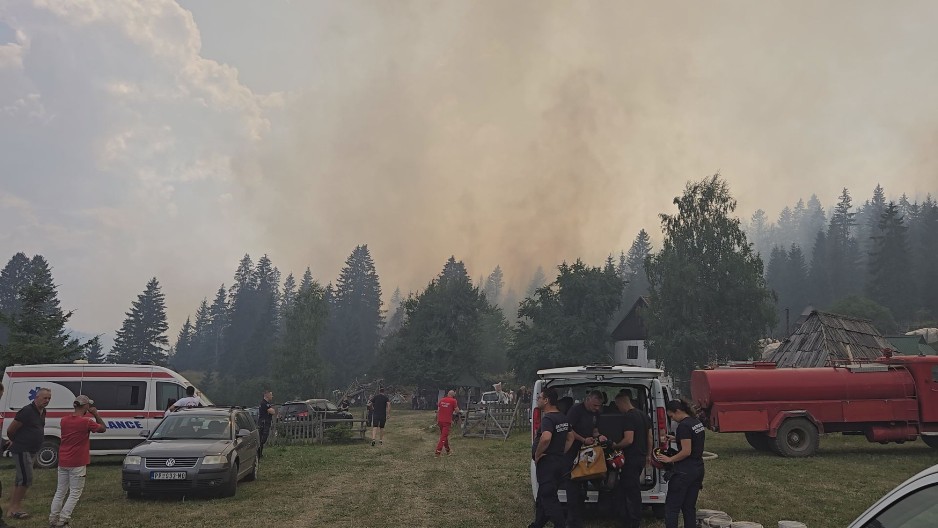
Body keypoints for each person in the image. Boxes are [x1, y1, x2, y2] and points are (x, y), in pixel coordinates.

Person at [49, 395, 107, 528]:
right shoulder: (86, 422)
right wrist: (96, 414)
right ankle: (63, 519)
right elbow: (103, 428)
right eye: (88, 405)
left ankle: (53, 519)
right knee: (75, 492)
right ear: (85, 406)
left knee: (60, 491)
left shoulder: (64, 420)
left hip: (63, 459)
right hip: (78, 461)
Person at [656, 399, 706, 528]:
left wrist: (669, 459)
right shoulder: (696, 422)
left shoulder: (683, 426)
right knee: (689, 507)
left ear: (678, 411)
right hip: (698, 469)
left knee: (672, 508)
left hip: (684, 471)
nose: (672, 419)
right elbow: (693, 440)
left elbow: (686, 451)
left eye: (671, 416)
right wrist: (675, 438)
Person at [6, 386, 52, 520]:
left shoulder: (43, 411)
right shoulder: (26, 411)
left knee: (20, 479)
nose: (47, 400)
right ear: (36, 397)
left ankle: (12, 507)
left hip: (32, 450)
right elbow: (10, 430)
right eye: (45, 398)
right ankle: (15, 509)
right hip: (22, 449)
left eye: (49, 398)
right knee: (26, 478)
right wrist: (15, 441)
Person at [564, 390, 607, 528]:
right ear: (587, 400)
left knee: (589, 479)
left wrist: (598, 436)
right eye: (594, 405)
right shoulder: (576, 410)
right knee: (573, 484)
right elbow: (568, 429)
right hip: (573, 450)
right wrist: (583, 439)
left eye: (599, 406)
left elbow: (594, 429)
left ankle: (584, 512)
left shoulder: (596, 413)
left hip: (588, 452)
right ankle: (572, 520)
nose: (597, 408)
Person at [529, 387, 572, 528]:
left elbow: (546, 438)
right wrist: (560, 452)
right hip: (559, 462)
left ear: (546, 400)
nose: (538, 400)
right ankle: (537, 524)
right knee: (543, 496)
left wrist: (538, 454)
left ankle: (561, 525)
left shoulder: (548, 418)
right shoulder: (562, 417)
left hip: (547, 464)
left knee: (549, 498)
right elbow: (570, 437)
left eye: (540, 398)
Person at [612, 391, 653, 528]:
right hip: (640, 457)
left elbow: (629, 440)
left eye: (617, 405)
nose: (618, 408)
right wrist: (648, 454)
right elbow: (650, 438)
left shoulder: (628, 417)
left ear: (622, 403)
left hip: (630, 458)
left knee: (631, 490)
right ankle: (627, 516)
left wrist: (615, 446)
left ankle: (633, 520)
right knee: (629, 487)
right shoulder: (643, 415)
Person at [435, 390, 460, 457]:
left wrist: (437, 419)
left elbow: (438, 410)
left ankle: (448, 451)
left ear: (448, 394)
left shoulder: (441, 400)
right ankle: (438, 452)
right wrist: (458, 411)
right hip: (447, 421)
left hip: (440, 420)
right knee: (443, 437)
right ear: (453, 395)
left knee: (444, 436)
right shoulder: (453, 401)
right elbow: (457, 410)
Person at [257, 390, 275, 458]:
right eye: (271, 395)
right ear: (267, 395)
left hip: (264, 422)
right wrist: (272, 410)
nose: (272, 396)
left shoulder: (265, 403)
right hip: (264, 423)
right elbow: (272, 412)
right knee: (262, 439)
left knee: (263, 439)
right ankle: (258, 454)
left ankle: (260, 454)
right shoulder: (264, 403)